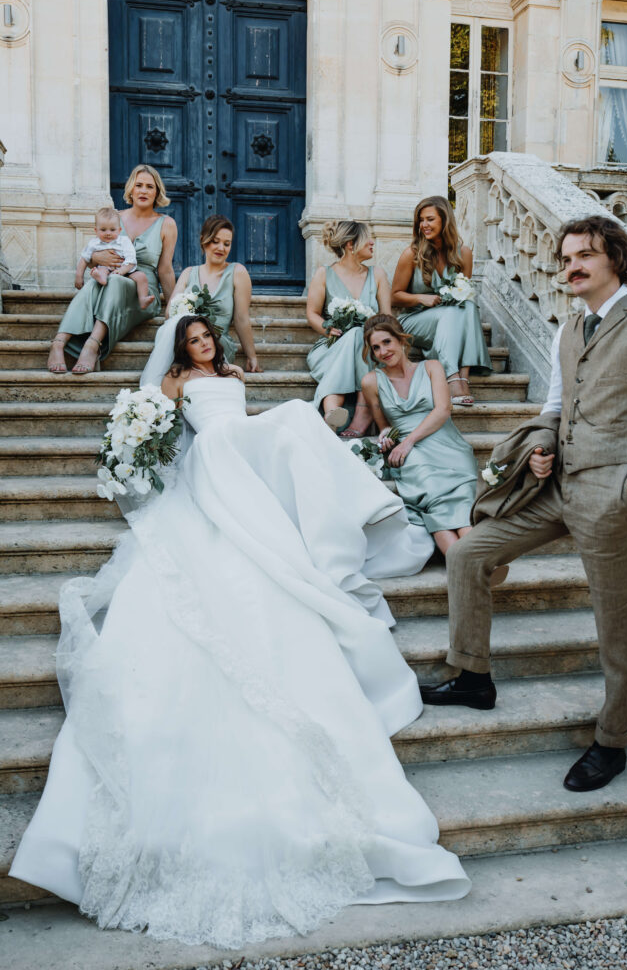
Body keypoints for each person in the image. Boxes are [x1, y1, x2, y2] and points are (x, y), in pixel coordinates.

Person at [10, 315, 471, 949]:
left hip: (240, 456)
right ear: (181, 348)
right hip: (208, 465)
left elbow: (242, 427)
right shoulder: (173, 382)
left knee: (290, 422)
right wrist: (141, 451)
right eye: (194, 340)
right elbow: (167, 435)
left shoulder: (230, 374)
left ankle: (333, 518)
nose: (203, 346)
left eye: (208, 339)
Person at [420, 215, 627, 794]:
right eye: (565, 258)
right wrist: (540, 446)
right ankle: (472, 676)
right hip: (557, 487)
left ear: (615, 257)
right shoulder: (570, 328)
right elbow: (554, 408)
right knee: (469, 556)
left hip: (613, 495)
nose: (572, 267)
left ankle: (612, 741)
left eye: (585, 255)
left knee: (616, 624)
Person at [360, 314, 478, 557]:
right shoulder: (371, 381)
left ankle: (473, 565)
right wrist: (387, 437)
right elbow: (383, 425)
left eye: (387, 342)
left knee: (461, 498)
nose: (383, 351)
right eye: (376, 348)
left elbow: (443, 410)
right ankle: (470, 565)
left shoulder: (432, 367)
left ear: (401, 340)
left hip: (444, 442)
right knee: (433, 492)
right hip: (412, 453)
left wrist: (409, 441)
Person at [47, 164, 177, 374]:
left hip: (142, 288)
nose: (143, 191)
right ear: (131, 189)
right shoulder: (114, 217)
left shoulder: (166, 224)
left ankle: (92, 344)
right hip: (107, 280)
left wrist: (173, 307)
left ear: (157, 192)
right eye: (139, 185)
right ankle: (59, 343)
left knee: (113, 281)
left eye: (150, 187)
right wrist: (97, 258)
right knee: (98, 282)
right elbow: (93, 254)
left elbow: (165, 269)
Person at [392, 196, 491, 406]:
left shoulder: (463, 254)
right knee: (454, 311)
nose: (424, 225)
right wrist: (421, 297)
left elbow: (465, 293)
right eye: (421, 220)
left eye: (430, 219)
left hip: (450, 322)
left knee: (468, 304)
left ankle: (462, 376)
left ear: (445, 221)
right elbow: (395, 296)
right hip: (414, 320)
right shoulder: (411, 255)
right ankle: (452, 376)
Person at [142, 215, 261, 385]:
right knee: (170, 331)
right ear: (203, 240)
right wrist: (186, 309)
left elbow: (241, 318)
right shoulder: (188, 273)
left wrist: (252, 356)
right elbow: (170, 312)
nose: (221, 248)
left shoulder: (237, 272)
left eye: (227, 244)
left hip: (217, 342)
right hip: (189, 341)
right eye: (215, 241)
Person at [306, 220, 391, 437]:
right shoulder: (324, 274)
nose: (373, 242)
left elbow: (387, 318)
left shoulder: (378, 274)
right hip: (331, 348)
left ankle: (332, 409)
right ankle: (353, 412)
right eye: (367, 238)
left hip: (370, 349)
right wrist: (326, 329)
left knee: (357, 334)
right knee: (353, 334)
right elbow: (312, 314)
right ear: (351, 245)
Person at [75, 207, 154, 311]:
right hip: (105, 269)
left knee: (141, 276)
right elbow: (84, 259)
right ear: (96, 230)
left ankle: (143, 298)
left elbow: (131, 259)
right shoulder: (94, 243)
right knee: (102, 270)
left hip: (126, 271)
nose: (108, 233)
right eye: (103, 230)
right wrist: (79, 276)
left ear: (119, 230)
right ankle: (101, 278)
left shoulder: (124, 241)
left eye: (112, 230)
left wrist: (121, 271)